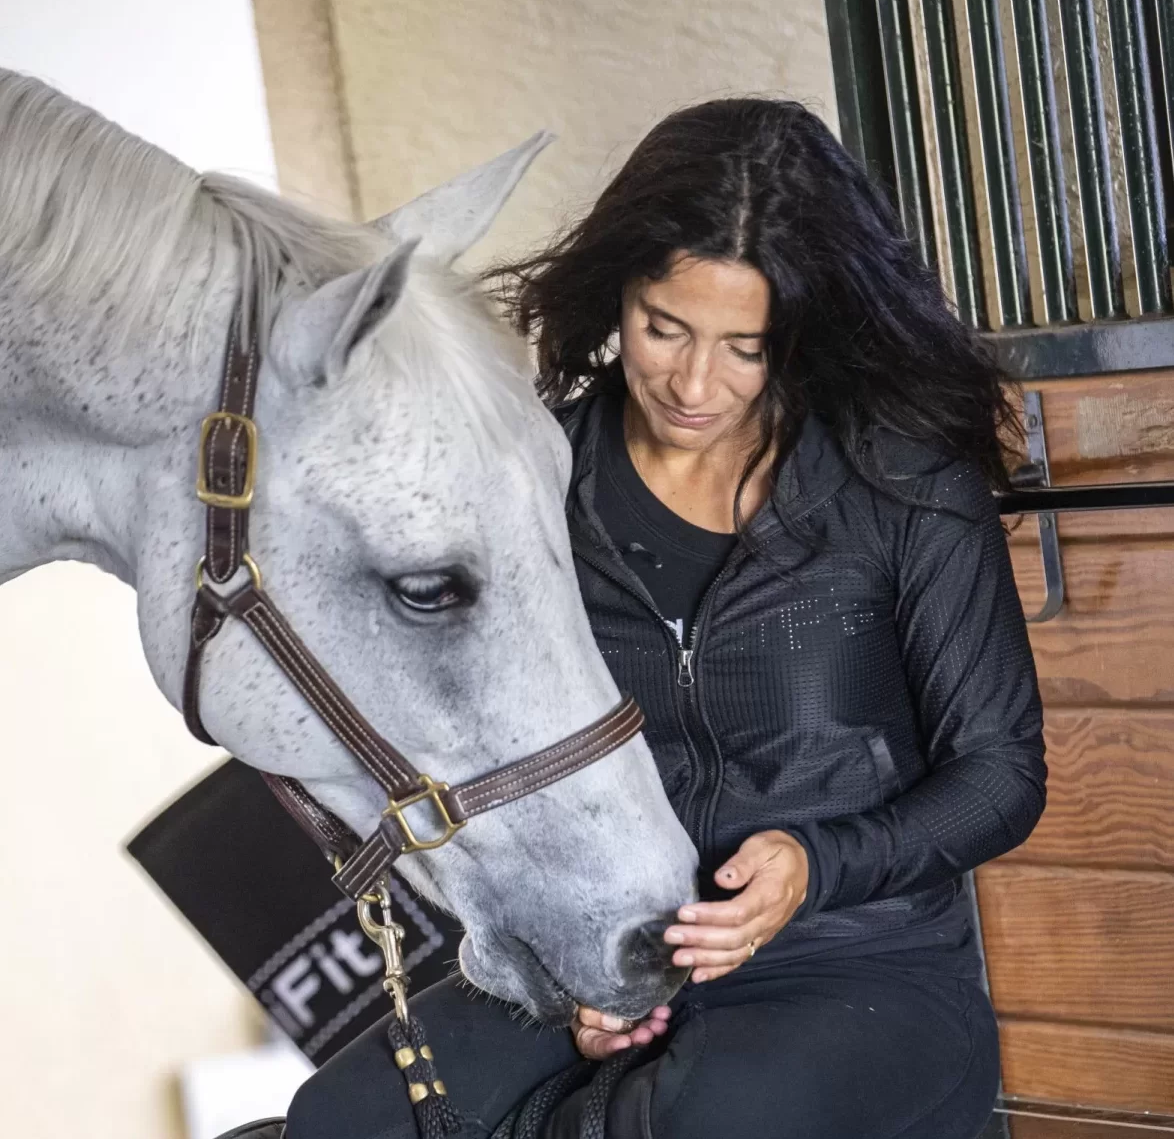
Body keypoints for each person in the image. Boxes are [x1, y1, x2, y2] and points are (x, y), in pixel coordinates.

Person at [286, 98, 1046, 1139]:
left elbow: (1000, 774)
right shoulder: (532, 484)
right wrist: (566, 968)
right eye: (664, 327)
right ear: (617, 294)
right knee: (341, 1121)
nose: (696, 383)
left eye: (747, 346)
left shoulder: (898, 483)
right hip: (604, 952)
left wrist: (817, 866)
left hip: (855, 965)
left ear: (803, 332)